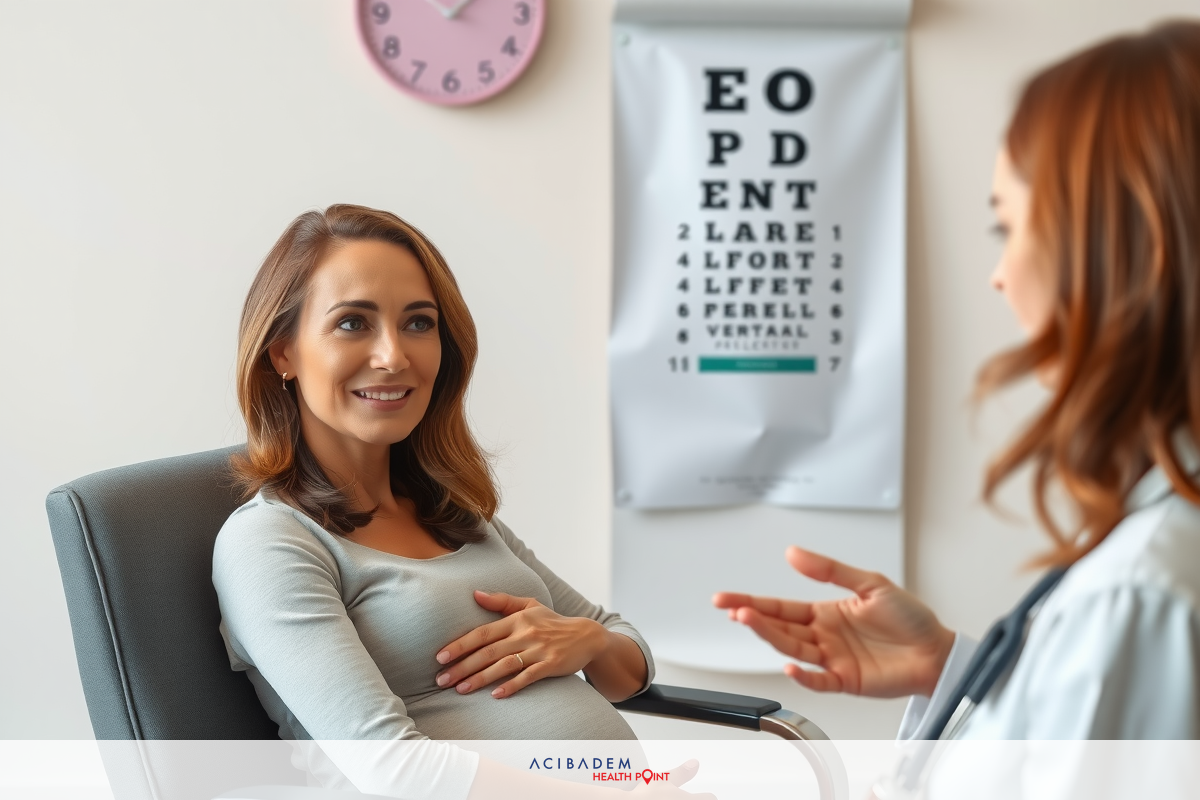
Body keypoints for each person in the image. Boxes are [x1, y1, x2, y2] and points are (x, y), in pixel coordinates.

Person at [714, 15, 1200, 759]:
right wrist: (954, 671)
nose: (999, 275)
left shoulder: (1141, 593)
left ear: (1115, 247)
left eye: (1010, 227)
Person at [213, 205, 704, 799]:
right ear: (282, 353)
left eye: (419, 323)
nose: (394, 355)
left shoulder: (454, 513)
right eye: (352, 324)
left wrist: (589, 642)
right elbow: (390, 768)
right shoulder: (270, 542)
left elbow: (622, 658)